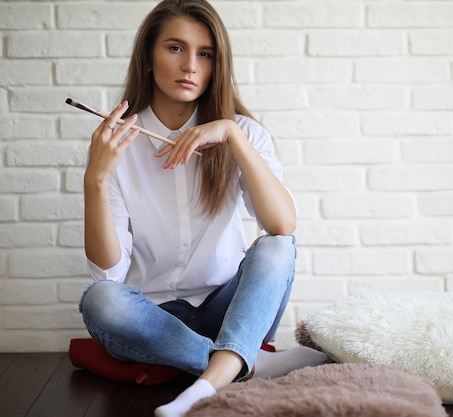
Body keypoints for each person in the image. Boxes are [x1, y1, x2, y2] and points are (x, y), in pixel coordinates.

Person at [78, 1, 327, 416]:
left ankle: (205, 383)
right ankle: (246, 363)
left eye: (205, 53)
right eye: (175, 48)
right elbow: (108, 274)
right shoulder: (118, 145)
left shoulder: (244, 134)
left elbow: (281, 224)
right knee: (100, 299)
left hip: (229, 308)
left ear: (216, 64)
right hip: (156, 321)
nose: (190, 65)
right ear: (148, 58)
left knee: (278, 246)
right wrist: (96, 180)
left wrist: (232, 134)